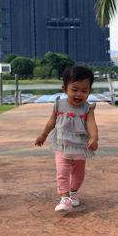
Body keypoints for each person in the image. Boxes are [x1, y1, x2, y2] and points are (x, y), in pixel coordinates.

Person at [34, 65, 98, 212]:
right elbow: (52, 122)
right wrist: (43, 135)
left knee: (79, 173)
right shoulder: (59, 104)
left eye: (84, 91)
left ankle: (74, 192)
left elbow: (91, 123)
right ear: (65, 89)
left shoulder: (88, 108)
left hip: (80, 145)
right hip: (62, 144)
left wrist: (94, 138)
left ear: (90, 91)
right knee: (62, 171)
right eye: (74, 90)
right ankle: (64, 198)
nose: (79, 94)